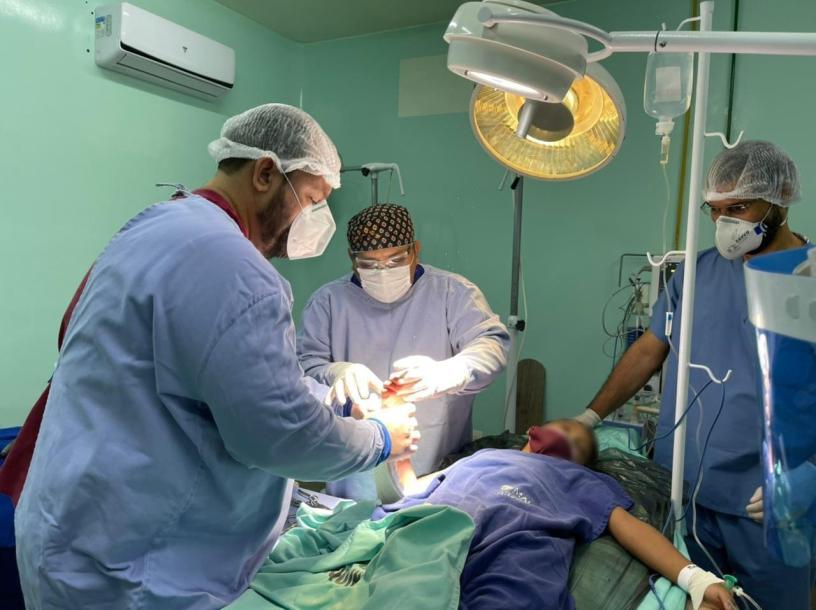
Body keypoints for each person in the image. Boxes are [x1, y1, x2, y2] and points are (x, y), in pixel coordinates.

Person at [14, 104, 419, 610]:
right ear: (266, 173)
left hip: (70, 533)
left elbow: (220, 377)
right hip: (132, 569)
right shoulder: (236, 268)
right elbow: (279, 435)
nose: (317, 219)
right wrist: (381, 438)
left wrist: (334, 401)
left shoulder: (159, 226)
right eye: (313, 199)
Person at [574, 141, 811, 608]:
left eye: (738, 208)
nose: (725, 224)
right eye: (715, 210)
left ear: (780, 200)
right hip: (684, 491)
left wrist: (812, 475)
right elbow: (649, 349)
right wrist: (589, 416)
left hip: (772, 501)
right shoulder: (697, 273)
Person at [376, 420, 737, 610]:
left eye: (577, 442)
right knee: (402, 581)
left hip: (520, 539)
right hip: (444, 526)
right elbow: (412, 491)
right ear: (530, 435)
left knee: (517, 594)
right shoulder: (483, 458)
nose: (566, 438)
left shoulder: (582, 480)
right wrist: (397, 449)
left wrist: (695, 579)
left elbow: (632, 530)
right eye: (562, 428)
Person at [297, 203, 510, 499]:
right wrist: (335, 372)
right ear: (352, 259)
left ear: (415, 251)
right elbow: (303, 370)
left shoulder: (452, 293)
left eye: (395, 259)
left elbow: (492, 345)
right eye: (369, 264)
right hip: (354, 468)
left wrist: (449, 372)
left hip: (435, 470)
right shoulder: (329, 302)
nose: (383, 272)